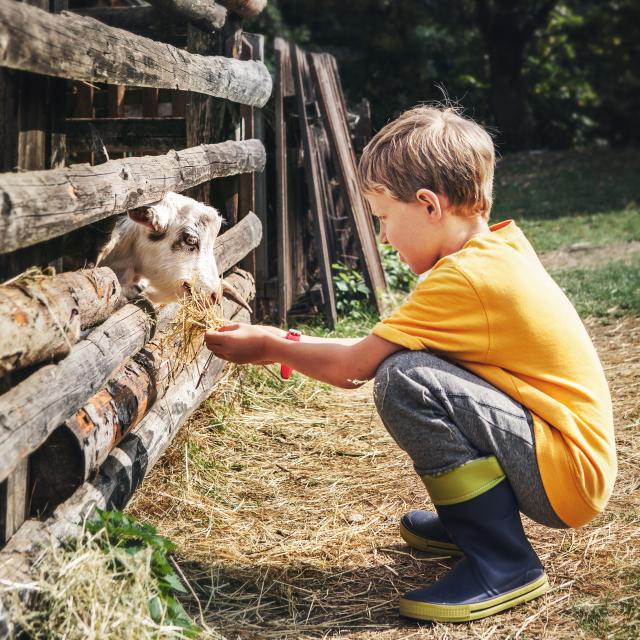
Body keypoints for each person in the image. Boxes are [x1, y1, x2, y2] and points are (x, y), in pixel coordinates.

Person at [204, 105, 616, 623]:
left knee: (405, 381)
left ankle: (504, 563)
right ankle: (475, 524)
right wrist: (283, 340)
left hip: (567, 476)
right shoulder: (496, 250)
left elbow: (356, 365)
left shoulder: (462, 280)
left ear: (427, 205)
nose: (382, 239)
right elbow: (382, 343)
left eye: (383, 219)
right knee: (409, 365)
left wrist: (271, 347)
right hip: (566, 459)